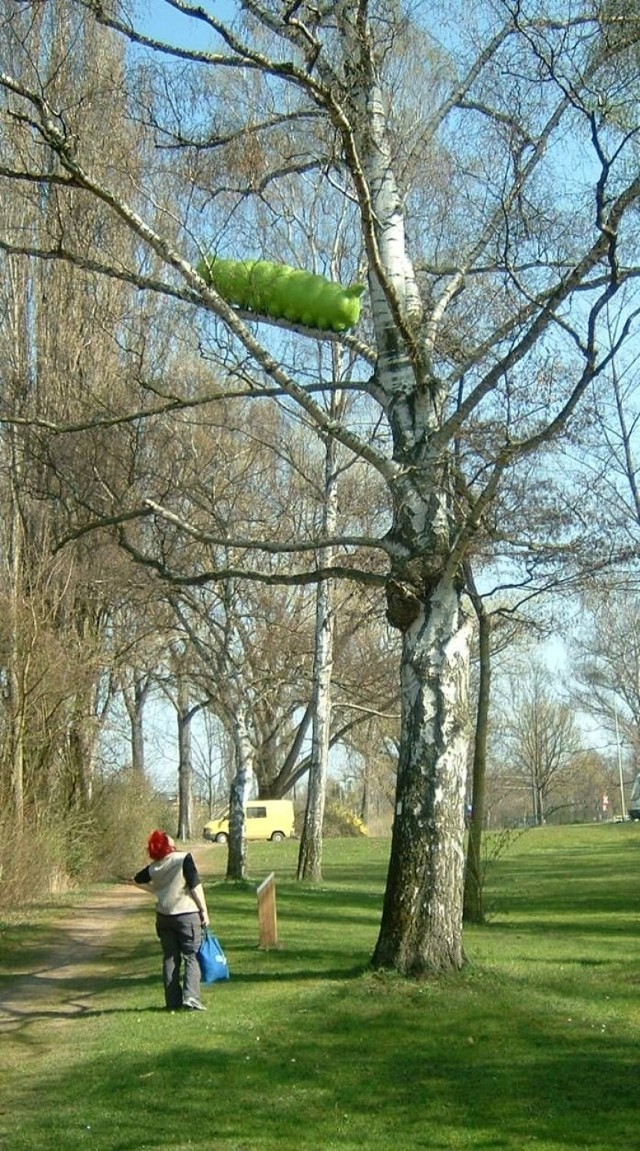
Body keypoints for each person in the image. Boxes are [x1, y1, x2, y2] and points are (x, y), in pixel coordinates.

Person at [134, 830, 210, 1012]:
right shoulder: (183, 859)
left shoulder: (154, 868)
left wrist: (156, 890)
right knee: (191, 956)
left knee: (170, 958)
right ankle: (191, 997)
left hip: (164, 917)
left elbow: (136, 880)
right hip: (186, 915)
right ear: (167, 844)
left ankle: (172, 1002)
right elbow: (195, 886)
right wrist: (204, 911)